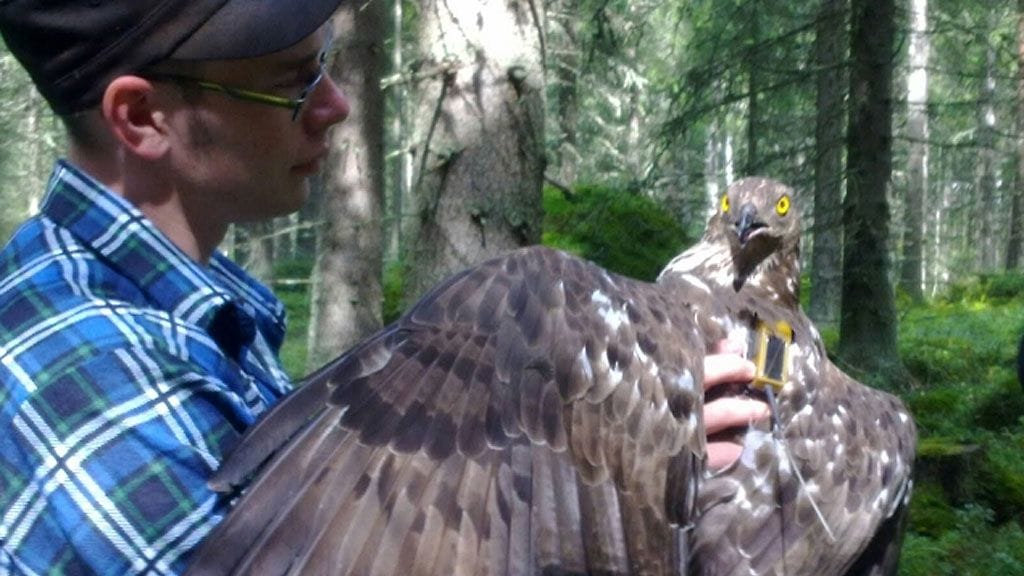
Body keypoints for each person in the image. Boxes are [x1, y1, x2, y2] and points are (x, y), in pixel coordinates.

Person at [0, 2, 766, 573]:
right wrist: (585, 462)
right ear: (141, 118)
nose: (335, 107)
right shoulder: (85, 382)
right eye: (293, 84)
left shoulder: (189, 314)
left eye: (325, 63)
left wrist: (584, 444)